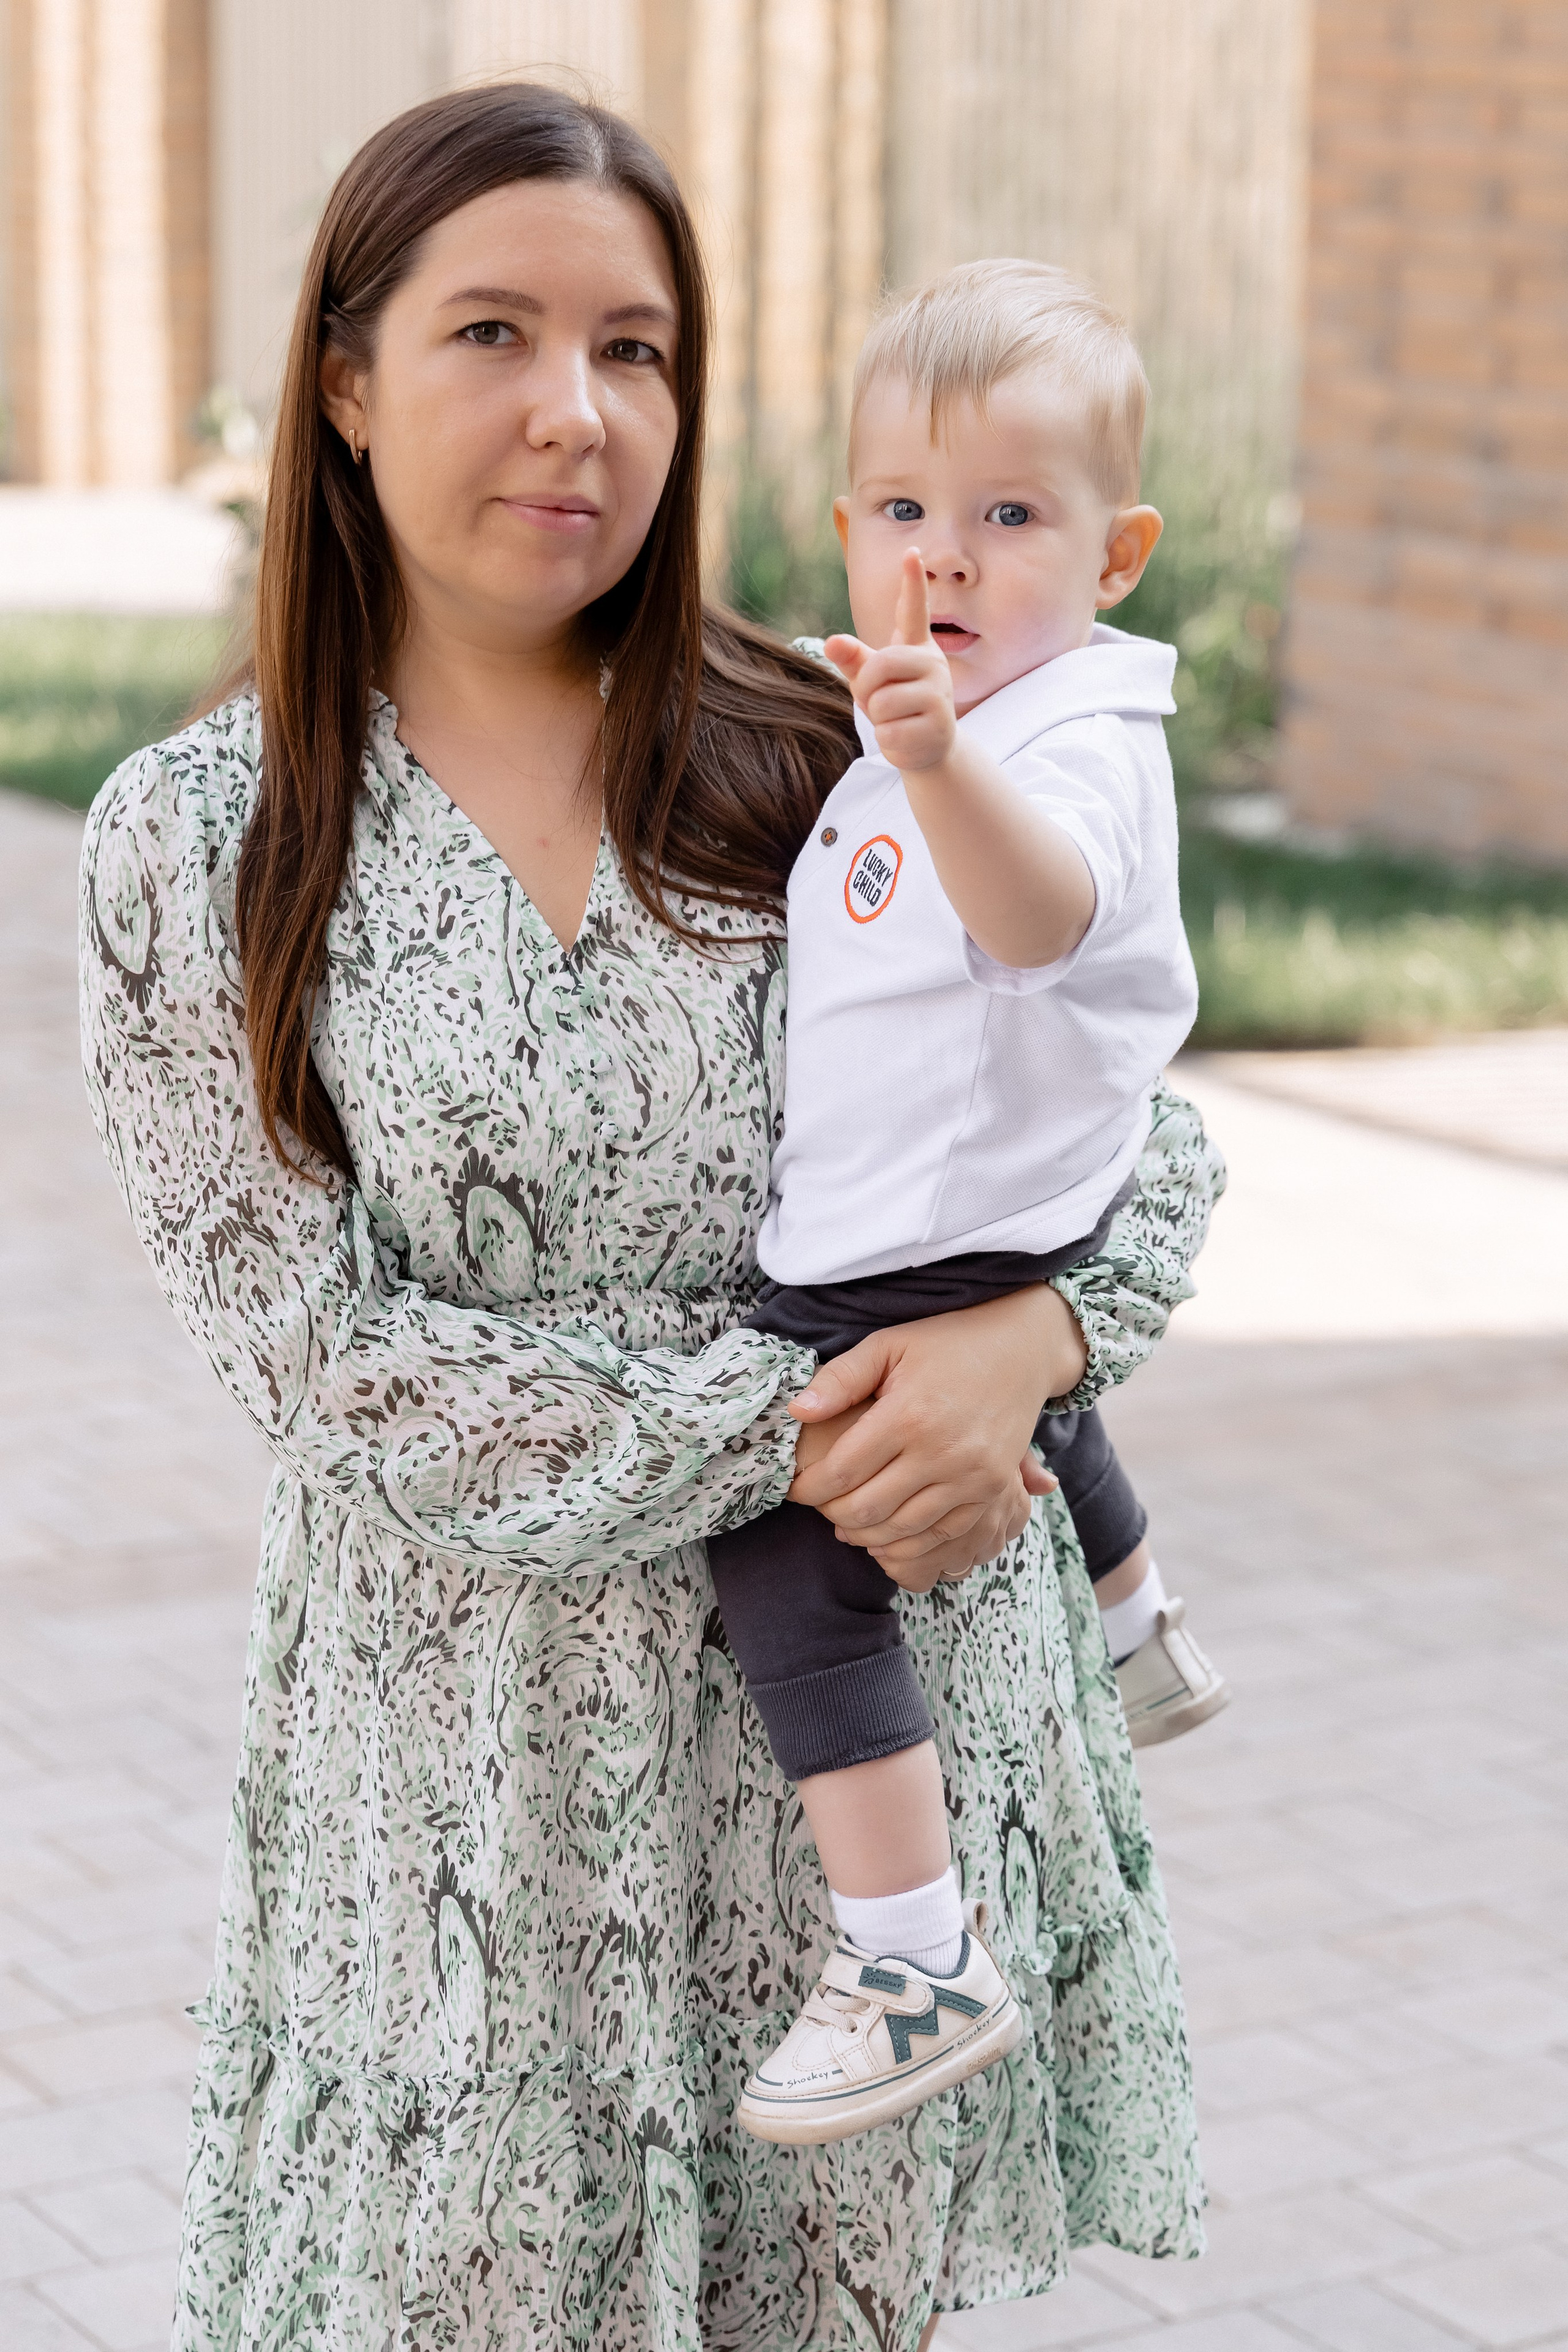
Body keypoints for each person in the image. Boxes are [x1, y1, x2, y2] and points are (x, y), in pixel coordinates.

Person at [79, 86, 1220, 2350]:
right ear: (341, 379)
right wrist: (824, 1416)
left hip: (859, 1821)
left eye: (640, 348)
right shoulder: (200, 841)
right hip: (480, 1791)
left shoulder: (831, 741)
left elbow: (1131, 1123)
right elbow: (318, 1357)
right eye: (492, 331)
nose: (575, 414)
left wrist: (1030, 1349)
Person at [712, 263, 1231, 2147]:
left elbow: (1035, 925)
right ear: (850, 529)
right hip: (977, 1215)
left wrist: (933, 762)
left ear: (1118, 554)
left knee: (784, 1543)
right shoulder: (937, 712)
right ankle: (1137, 1610)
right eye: (909, 513)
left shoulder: (1068, 736)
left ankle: (911, 1955)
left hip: (932, 1235)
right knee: (1041, 1382)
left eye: (1013, 517)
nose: (950, 558)